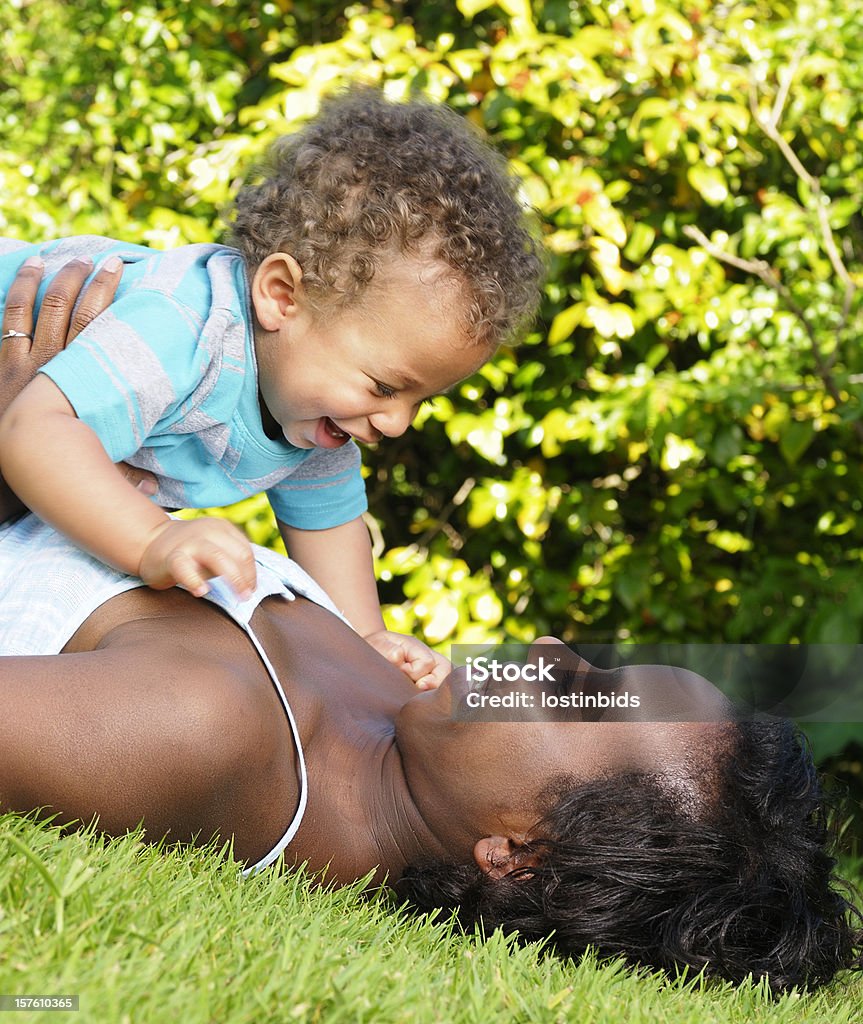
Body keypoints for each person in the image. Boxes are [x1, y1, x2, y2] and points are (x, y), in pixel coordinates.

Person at [0, 263, 860, 994]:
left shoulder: (199, 732)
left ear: (515, 852)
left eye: (572, 694)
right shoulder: (401, 700)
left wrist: (29, 435)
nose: (545, 651)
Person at [0, 88, 543, 688]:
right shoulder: (182, 327)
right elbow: (36, 429)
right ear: (282, 296)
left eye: (421, 401)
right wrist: (152, 539)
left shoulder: (310, 420)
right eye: (385, 386)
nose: (396, 424)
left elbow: (331, 529)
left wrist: (366, 644)